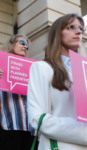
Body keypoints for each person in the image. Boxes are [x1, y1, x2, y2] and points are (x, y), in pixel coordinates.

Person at [27, 13, 87, 149]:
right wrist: (84, 133)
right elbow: (38, 119)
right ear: (57, 33)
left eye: (81, 29)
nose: (78, 31)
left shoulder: (84, 70)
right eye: (71, 27)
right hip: (60, 146)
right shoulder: (42, 67)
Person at [0, 34, 38, 150]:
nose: (25, 47)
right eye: (22, 43)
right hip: (7, 125)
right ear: (12, 44)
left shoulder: (32, 68)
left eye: (27, 45)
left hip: (30, 128)